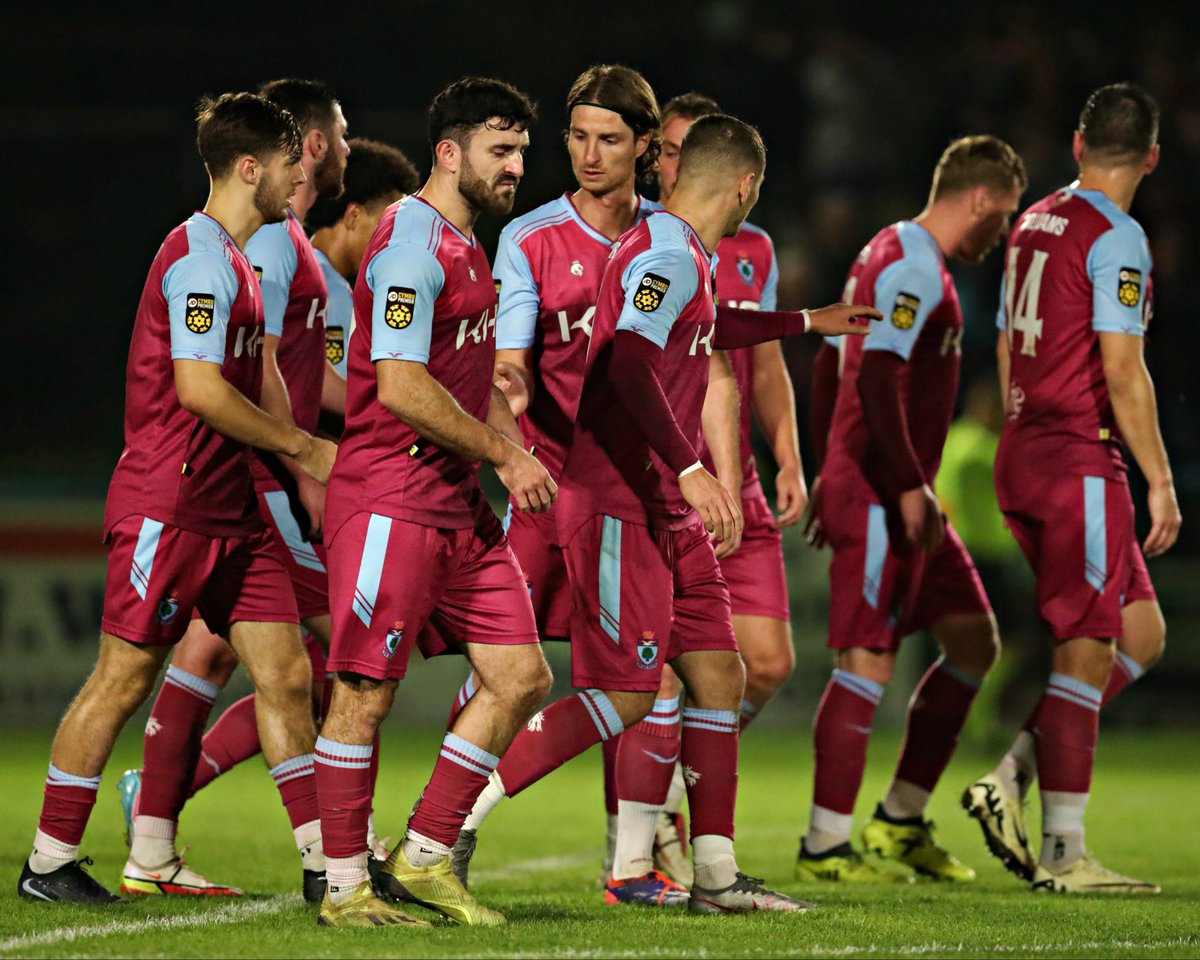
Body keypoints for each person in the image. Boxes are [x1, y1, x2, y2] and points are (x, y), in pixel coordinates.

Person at [453, 112, 876, 914]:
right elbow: (628, 360)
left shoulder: (683, 254)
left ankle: (715, 875)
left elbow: (701, 328)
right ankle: (449, 824)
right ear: (746, 185)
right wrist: (691, 468)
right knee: (628, 695)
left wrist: (804, 322)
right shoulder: (670, 253)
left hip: (658, 507)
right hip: (619, 499)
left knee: (721, 674)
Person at [16, 92, 336, 904]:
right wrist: (300, 447)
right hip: (172, 501)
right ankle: (49, 864)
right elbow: (197, 389)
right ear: (251, 166)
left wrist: (304, 455)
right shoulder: (196, 257)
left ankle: (322, 863)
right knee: (122, 678)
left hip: (232, 508)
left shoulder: (241, 259)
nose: (303, 174)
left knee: (287, 670)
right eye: (293, 161)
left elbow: (260, 374)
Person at [313, 76, 558, 929]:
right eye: (502, 149)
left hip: (452, 505)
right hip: (392, 497)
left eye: (522, 150)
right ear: (449, 153)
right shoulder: (412, 244)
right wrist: (506, 455)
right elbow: (404, 386)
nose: (518, 165)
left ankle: (421, 855)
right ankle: (344, 887)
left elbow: (467, 375)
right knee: (362, 692)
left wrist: (505, 411)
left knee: (521, 675)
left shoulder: (465, 244)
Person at [117, 78, 352, 902]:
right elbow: (225, 378)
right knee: (340, 652)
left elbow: (271, 368)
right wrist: (304, 458)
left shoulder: (269, 246)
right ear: (299, 154)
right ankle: (343, 851)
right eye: (338, 138)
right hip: (221, 482)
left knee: (268, 664)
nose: (343, 153)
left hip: (248, 482)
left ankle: (168, 836)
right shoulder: (260, 247)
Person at [962, 82, 1178, 894]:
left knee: (1141, 634)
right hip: (1076, 457)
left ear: (1079, 144)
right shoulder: (1118, 237)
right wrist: (1159, 481)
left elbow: (1010, 349)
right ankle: (1062, 851)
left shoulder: (1036, 217)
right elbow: (1123, 368)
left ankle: (1010, 774)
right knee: (1086, 648)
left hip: (1026, 445)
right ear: (1152, 157)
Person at [797, 135, 1025, 883]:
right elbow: (878, 376)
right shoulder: (913, 266)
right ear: (982, 198)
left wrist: (837, 459)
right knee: (866, 657)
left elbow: (837, 362)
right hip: (883, 490)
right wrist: (877, 479)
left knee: (972, 641)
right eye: (1007, 212)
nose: (1005, 230)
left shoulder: (888, 251)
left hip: (896, 489)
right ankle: (824, 847)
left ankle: (898, 821)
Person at [624, 91, 806, 887]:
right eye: (662, 151)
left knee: (757, 662)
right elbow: (631, 361)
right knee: (642, 677)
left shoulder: (743, 251)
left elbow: (738, 360)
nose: (667, 166)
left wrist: (786, 456)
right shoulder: (648, 242)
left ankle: (674, 817)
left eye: (679, 154)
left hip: (730, 482)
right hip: (664, 479)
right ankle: (639, 845)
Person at [309, 138, 421, 383]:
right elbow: (331, 388)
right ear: (353, 216)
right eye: (390, 225)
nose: (396, 241)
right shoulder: (326, 287)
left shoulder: (318, 273)